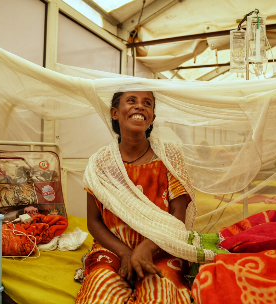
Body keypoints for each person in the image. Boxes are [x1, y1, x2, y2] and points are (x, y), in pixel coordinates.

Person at [75, 91, 192, 303]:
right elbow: (93, 221)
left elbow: (178, 215)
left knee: (161, 291)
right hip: (112, 249)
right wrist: (125, 253)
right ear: (115, 113)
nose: (140, 106)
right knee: (99, 291)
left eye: (147, 103)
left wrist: (147, 248)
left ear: (152, 117)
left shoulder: (170, 157)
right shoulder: (99, 163)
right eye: (131, 101)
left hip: (162, 249)